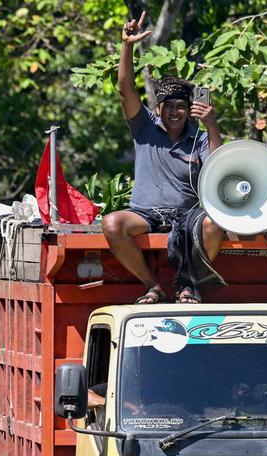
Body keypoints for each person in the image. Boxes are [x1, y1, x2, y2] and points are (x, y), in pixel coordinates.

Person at [101, 10, 223, 304]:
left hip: (187, 217)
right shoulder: (145, 129)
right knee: (111, 224)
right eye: (168, 105)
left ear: (190, 108)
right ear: (158, 109)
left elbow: (219, 168)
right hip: (145, 214)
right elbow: (124, 88)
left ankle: (189, 284)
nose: (174, 111)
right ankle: (152, 285)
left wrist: (212, 124)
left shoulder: (200, 138)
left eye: (181, 105)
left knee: (215, 224)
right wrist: (127, 45)